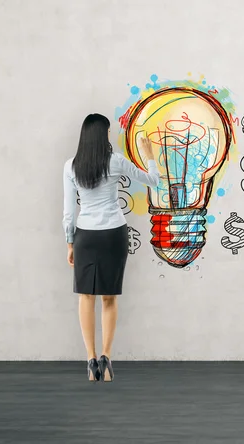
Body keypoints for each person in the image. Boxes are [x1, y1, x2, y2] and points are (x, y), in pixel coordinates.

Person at [62, 113, 159, 382]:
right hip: (113, 234)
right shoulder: (115, 162)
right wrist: (149, 153)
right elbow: (154, 181)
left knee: (85, 296)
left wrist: (70, 243)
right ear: (103, 135)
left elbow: (69, 212)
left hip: (85, 236)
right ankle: (106, 359)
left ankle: (90, 360)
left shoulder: (71, 167)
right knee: (109, 297)